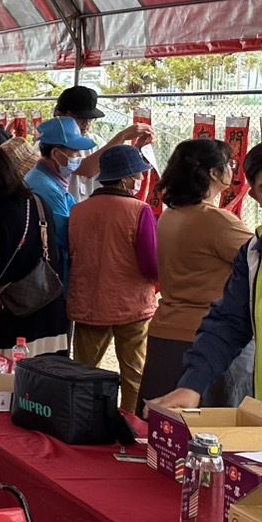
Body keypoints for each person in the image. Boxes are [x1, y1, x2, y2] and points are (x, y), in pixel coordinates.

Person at [152, 143, 262, 415]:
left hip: (167, 328)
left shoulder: (170, 216)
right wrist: (193, 384)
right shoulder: (254, 251)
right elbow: (231, 321)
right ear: (254, 196)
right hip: (195, 336)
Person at [66, 146, 158, 415]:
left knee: (83, 370)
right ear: (126, 179)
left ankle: (81, 418)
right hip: (131, 305)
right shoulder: (139, 210)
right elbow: (151, 263)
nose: (140, 179)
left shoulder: (79, 210)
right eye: (138, 175)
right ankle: (130, 422)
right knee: (134, 372)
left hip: (88, 303)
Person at [0, 145, 68, 353]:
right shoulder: (38, 203)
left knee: (14, 369)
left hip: (13, 313)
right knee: (46, 367)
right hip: (48, 305)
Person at [24, 118, 97, 283]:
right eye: (75, 152)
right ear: (56, 154)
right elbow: (68, 237)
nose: (79, 157)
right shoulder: (45, 187)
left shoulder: (51, 180)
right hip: (52, 277)